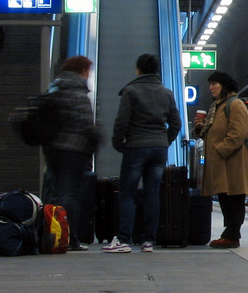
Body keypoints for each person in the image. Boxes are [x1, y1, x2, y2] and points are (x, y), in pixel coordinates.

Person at [107, 54, 181, 253]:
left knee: (127, 193)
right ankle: (148, 241)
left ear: (138, 70)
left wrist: (118, 143)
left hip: (136, 146)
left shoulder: (131, 91)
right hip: (159, 149)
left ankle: (124, 239)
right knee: (152, 194)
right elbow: (176, 123)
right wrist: (165, 141)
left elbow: (121, 121)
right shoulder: (167, 93)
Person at [43, 56, 99, 251]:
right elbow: (86, 125)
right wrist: (92, 146)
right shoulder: (78, 92)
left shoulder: (55, 88)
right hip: (74, 151)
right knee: (70, 195)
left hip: (52, 150)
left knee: (54, 193)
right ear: (83, 71)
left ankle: (51, 234)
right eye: (88, 71)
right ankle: (69, 238)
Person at [193, 71, 248, 248]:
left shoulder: (235, 105)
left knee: (234, 198)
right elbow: (215, 133)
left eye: (214, 84)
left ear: (224, 85)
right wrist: (201, 128)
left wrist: (220, 149)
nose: (210, 88)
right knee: (225, 197)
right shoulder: (217, 107)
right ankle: (229, 234)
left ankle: (232, 235)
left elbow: (239, 133)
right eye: (210, 84)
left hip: (232, 162)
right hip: (223, 162)